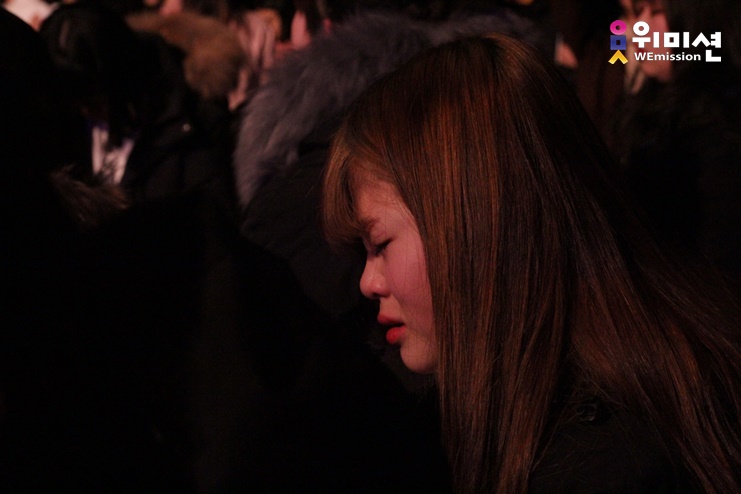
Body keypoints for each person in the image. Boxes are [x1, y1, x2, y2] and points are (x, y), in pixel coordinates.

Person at [323, 34, 741, 493]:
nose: (368, 282)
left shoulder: (615, 465)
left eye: (380, 244)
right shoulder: (628, 382)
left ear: (477, 225)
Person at [615, 0, 741, 290]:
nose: (637, 28)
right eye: (637, 12)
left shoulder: (720, 136)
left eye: (656, 11)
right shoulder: (653, 104)